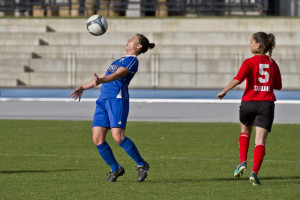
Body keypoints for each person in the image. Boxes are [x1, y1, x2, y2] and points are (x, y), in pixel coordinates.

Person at [71, 34, 155, 182]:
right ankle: (115, 168)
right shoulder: (119, 60)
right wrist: (83, 87)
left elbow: (117, 75)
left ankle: (142, 164)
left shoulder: (132, 61)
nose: (129, 39)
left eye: (132, 39)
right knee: (97, 139)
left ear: (139, 46)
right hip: (103, 100)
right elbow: (105, 74)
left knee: (118, 137)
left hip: (117, 100)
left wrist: (101, 80)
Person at [217, 32, 282, 185]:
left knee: (245, 132)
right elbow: (278, 86)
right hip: (266, 104)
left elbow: (238, 80)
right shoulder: (273, 64)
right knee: (260, 141)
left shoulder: (249, 62)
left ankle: (242, 161)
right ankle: (254, 173)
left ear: (258, 45)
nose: (249, 44)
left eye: (251, 41)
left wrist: (224, 90)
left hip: (249, 103)